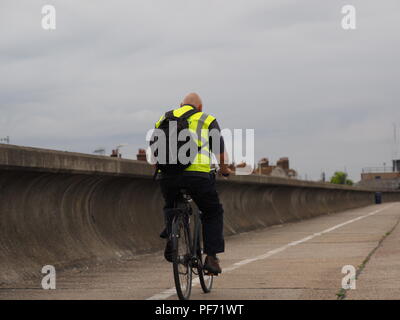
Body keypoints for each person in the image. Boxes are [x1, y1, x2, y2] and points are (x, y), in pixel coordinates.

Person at [154, 92, 231, 275]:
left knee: (171, 205)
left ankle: (172, 236)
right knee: (212, 211)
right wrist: (224, 169)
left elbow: (156, 148)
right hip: (198, 177)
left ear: (181, 105)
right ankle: (211, 258)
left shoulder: (164, 118)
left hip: (168, 176)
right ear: (200, 108)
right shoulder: (207, 119)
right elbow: (219, 151)